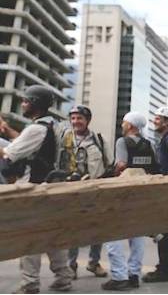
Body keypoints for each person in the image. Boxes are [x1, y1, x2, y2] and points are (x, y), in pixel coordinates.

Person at [0, 85, 73, 294]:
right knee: (54, 235)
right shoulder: (54, 125)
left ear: (36, 104)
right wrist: (8, 130)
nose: (22, 104)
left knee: (29, 236)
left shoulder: (35, 129)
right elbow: (30, 144)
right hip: (54, 187)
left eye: (25, 101)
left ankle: (30, 283)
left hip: (34, 187)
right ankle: (63, 277)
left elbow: (8, 155)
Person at [102, 111, 159, 291]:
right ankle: (134, 274)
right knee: (138, 234)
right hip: (142, 190)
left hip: (124, 190)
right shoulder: (148, 144)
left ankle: (119, 276)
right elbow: (154, 167)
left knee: (112, 233)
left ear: (131, 125)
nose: (122, 124)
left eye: (125, 122)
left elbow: (121, 164)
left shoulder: (122, 142)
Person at [59, 105, 109, 279]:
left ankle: (93, 263)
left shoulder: (99, 140)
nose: (75, 122)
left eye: (79, 118)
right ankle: (71, 266)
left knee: (97, 228)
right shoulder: (64, 138)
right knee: (73, 230)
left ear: (87, 120)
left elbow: (108, 166)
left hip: (94, 191)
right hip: (71, 191)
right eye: (72, 118)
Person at [142, 107, 168, 283]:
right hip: (164, 189)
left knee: (165, 231)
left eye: (158, 119)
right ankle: (165, 267)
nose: (154, 121)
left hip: (167, 191)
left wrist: (165, 190)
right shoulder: (165, 140)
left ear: (167, 122)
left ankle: (166, 270)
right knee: (163, 231)